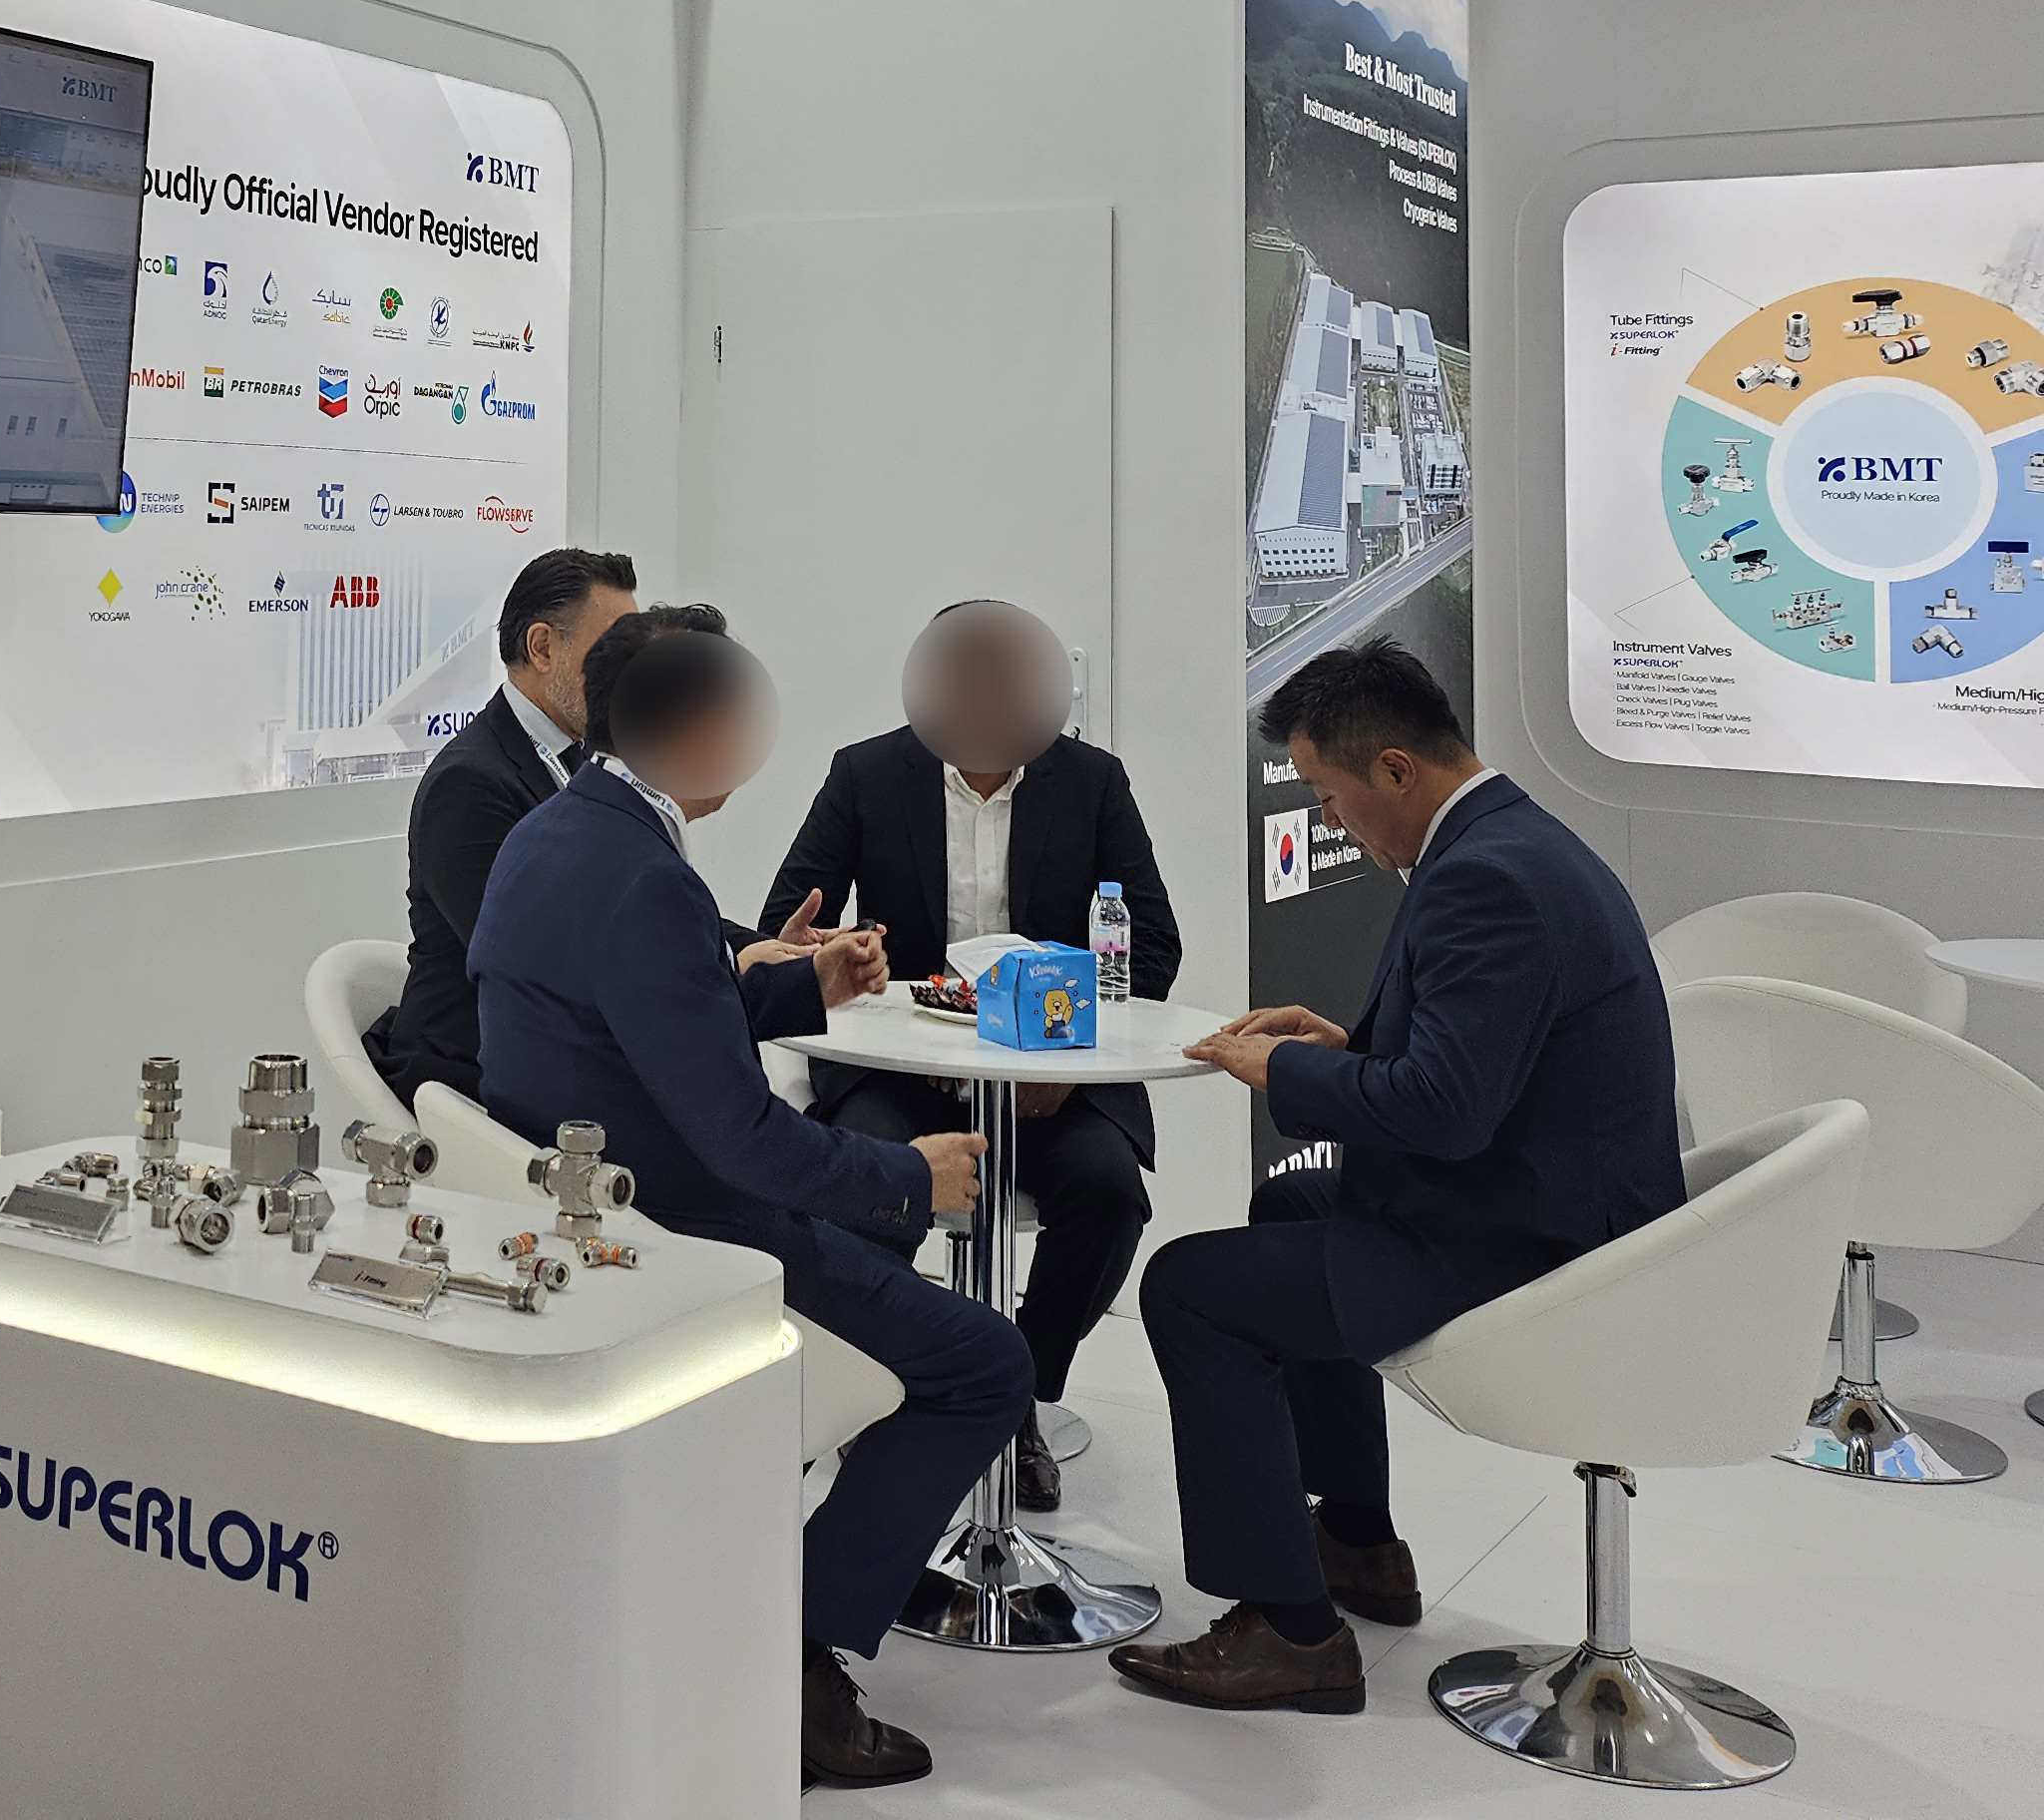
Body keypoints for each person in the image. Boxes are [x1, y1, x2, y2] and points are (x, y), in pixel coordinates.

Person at [475, 605, 1026, 1791]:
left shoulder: (557, 832)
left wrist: (801, 989)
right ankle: (798, 1662)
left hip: (601, 1198)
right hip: (681, 1229)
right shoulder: (643, 873)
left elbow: (638, 1022)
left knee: (898, 1290)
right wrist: (911, 1177)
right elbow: (741, 1142)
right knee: (986, 1364)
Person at [1111, 639, 1678, 1716]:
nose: (1329, 821)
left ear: (1395, 770)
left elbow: (1445, 1114)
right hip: (1534, 1202)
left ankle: (1289, 1630)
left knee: (1188, 1290)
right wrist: (1341, 1048)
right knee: (1290, 1204)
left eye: (1327, 796)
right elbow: (1483, 1065)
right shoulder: (1510, 842)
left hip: (1529, 1246)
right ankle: (1358, 1542)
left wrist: (1284, 1071)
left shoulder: (1487, 879)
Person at [758, 599, 1179, 1510]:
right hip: (902, 1072)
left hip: (1048, 1079)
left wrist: (1057, 1055)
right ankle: (879, 1388)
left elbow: (1150, 948)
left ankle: (1016, 1391)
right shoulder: (868, 773)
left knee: (1109, 1196)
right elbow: (786, 929)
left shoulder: (1092, 781)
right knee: (863, 1186)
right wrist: (835, 953)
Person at [373, 546, 638, 1110]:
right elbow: (536, 963)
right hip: (476, 1081)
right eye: (614, 652)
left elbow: (644, 900)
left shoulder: (590, 761)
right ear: (542, 647)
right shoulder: (469, 784)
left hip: (569, 1062)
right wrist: (721, 968)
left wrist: (760, 949)